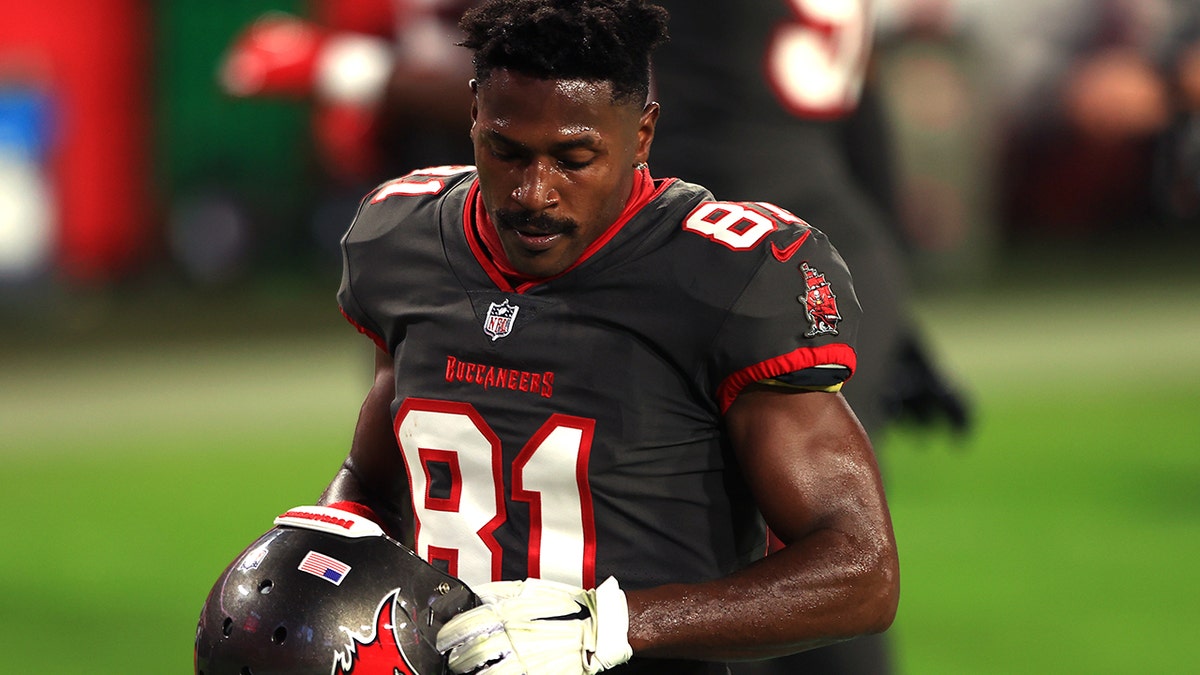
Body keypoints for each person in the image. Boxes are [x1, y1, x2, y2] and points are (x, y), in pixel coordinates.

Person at [318, 1, 899, 673]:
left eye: (574, 157)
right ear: (474, 113)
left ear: (643, 134)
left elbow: (861, 572)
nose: (535, 191)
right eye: (506, 152)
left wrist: (615, 625)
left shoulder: (722, 278)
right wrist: (325, 553)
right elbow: (372, 479)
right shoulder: (407, 240)